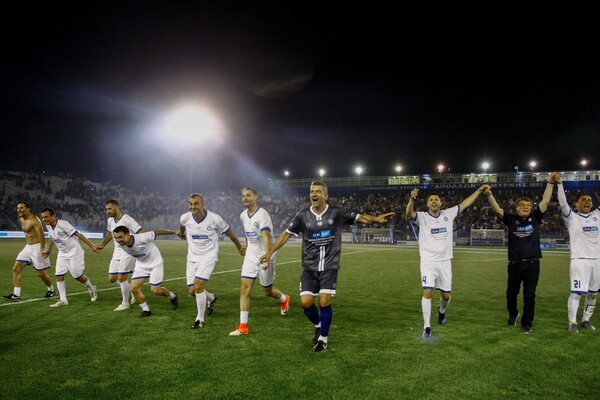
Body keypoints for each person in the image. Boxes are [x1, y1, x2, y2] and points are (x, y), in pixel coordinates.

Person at [259, 181, 394, 352]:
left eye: (318, 191)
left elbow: (360, 217)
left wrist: (376, 219)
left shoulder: (337, 212)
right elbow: (286, 234)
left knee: (324, 300)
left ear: (325, 195)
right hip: (309, 266)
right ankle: (319, 324)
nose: (314, 194)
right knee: (306, 303)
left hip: (330, 265)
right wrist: (270, 252)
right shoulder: (302, 216)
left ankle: (323, 338)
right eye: (311, 191)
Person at [406, 185, 489, 338]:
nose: (434, 202)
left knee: (446, 296)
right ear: (427, 204)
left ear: (441, 203)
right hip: (428, 262)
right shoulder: (422, 217)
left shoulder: (448, 214)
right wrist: (411, 199)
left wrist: (478, 191)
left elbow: (465, 204)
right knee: (427, 292)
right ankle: (427, 327)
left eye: (436, 200)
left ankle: (442, 311)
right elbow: (409, 213)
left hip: (444, 262)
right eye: (431, 200)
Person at [484, 175, 556, 333]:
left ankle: (527, 323)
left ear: (531, 208)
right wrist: (489, 194)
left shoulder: (535, 218)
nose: (525, 207)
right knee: (511, 293)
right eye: (522, 205)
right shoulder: (511, 220)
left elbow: (545, 201)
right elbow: (496, 209)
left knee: (529, 295)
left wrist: (550, 183)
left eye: (528, 205)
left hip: (532, 264)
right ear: (516, 208)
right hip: (515, 265)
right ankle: (513, 314)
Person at [178, 193, 245, 329]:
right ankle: (211, 298)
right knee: (192, 291)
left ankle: (200, 319)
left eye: (196, 203)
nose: (193, 206)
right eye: (190, 204)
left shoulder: (215, 219)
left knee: (198, 286)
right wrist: (181, 233)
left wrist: (239, 248)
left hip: (208, 257)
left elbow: (230, 233)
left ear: (203, 204)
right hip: (192, 258)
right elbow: (182, 226)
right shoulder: (185, 218)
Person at [229, 187, 291, 337]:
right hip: (251, 254)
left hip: (265, 253)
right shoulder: (243, 215)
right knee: (244, 288)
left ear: (255, 197)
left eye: (248, 195)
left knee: (267, 291)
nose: (245, 198)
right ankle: (243, 325)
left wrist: (268, 255)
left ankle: (284, 298)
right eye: (243, 196)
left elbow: (266, 236)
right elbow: (247, 232)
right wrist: (246, 247)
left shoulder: (263, 215)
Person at [555, 173, 599, 333]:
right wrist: (559, 185)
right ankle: (572, 322)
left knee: (593, 294)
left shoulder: (597, 216)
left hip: (597, 260)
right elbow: (562, 203)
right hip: (579, 260)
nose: (588, 202)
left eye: (590, 200)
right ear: (577, 203)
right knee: (577, 293)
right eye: (584, 200)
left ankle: (586, 319)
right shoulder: (572, 218)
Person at [112, 226, 179, 317]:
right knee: (134, 289)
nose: (118, 240)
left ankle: (172, 296)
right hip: (141, 265)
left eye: (120, 237)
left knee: (155, 290)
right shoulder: (122, 245)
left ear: (128, 235)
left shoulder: (141, 238)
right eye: (116, 238)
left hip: (155, 263)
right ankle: (146, 310)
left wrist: (175, 232)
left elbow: (158, 232)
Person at [40, 208, 100, 307]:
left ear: (53, 216)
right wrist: (48, 251)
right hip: (62, 253)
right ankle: (63, 300)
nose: (44, 219)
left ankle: (92, 288)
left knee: (77, 276)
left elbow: (79, 235)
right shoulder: (49, 226)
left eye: (46, 217)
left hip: (74, 252)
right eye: (42, 217)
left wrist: (92, 246)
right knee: (59, 275)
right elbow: (52, 238)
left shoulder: (63, 224)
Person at [3, 202, 55, 301]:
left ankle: (51, 290)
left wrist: (43, 249)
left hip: (37, 246)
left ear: (28, 209)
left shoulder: (34, 220)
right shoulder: (21, 218)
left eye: (21, 208)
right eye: (18, 208)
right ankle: (16, 295)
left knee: (40, 272)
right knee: (16, 269)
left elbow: (42, 235)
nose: (19, 210)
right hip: (28, 247)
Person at [97, 200, 143, 311]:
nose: (107, 211)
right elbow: (110, 233)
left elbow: (140, 231)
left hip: (128, 251)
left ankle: (125, 303)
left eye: (109, 209)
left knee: (122, 278)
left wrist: (139, 245)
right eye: (106, 209)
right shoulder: (110, 220)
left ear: (117, 208)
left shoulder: (127, 219)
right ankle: (130, 290)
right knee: (112, 278)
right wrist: (103, 245)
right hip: (117, 251)